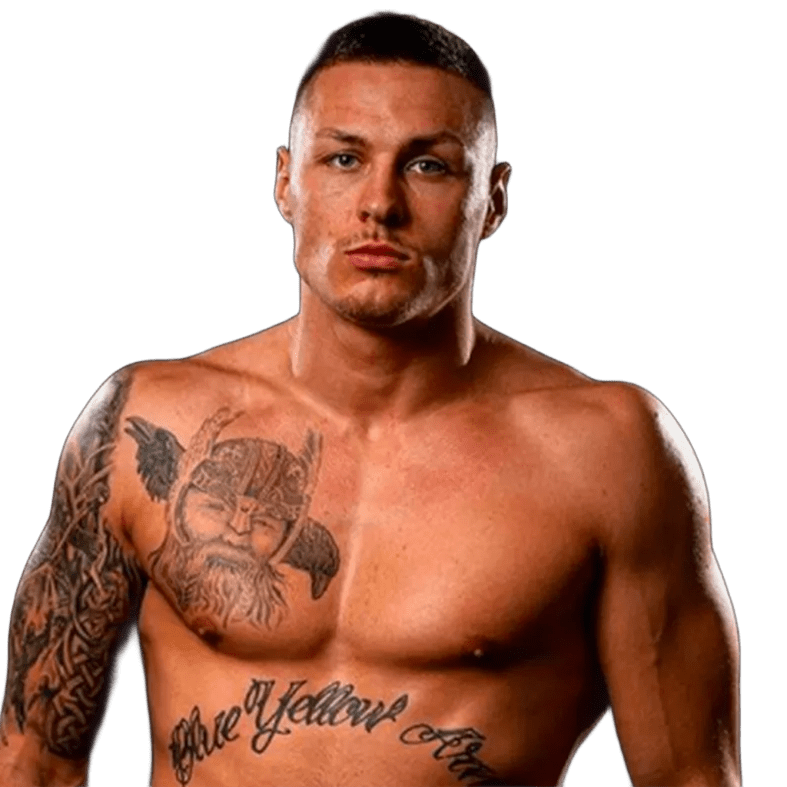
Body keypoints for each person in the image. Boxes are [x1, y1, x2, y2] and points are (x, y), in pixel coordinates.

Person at [0, 9, 741, 787]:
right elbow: (34, 761)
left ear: (492, 199)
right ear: (286, 181)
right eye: (344, 158)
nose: (379, 203)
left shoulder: (609, 451)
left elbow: (689, 776)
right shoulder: (142, 420)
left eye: (428, 166)